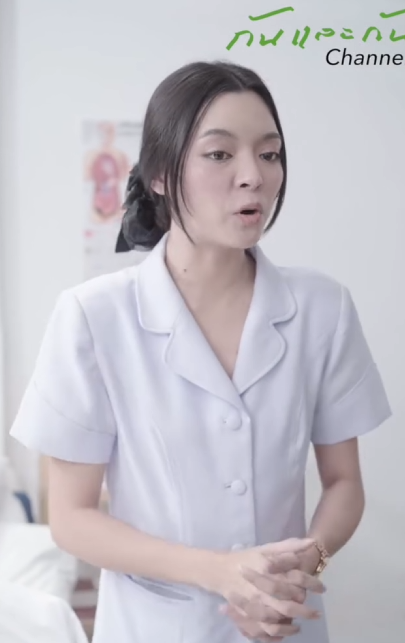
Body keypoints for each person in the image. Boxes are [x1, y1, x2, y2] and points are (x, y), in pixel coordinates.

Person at [10, 60, 392, 643]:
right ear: (160, 175)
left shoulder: (323, 307)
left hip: (284, 623)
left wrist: (302, 567)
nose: (254, 176)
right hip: (155, 626)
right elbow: (71, 518)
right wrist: (220, 573)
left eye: (270, 154)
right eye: (220, 154)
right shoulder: (94, 316)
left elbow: (343, 482)